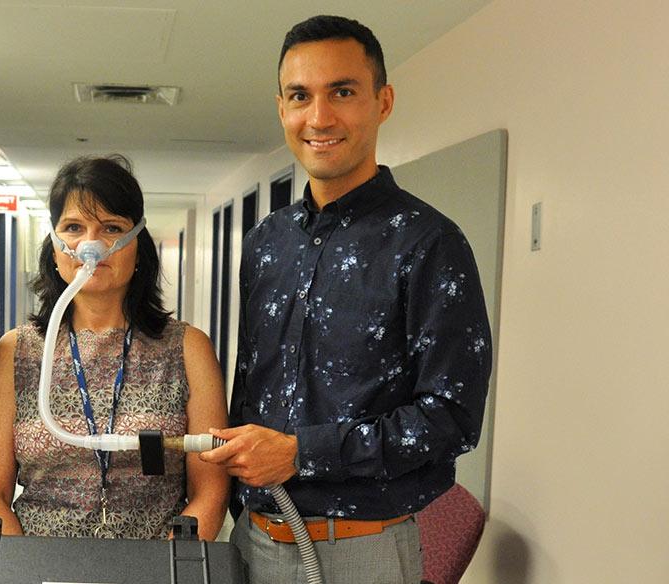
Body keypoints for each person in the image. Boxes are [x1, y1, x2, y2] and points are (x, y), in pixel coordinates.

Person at [199, 15, 493, 584]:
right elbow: (253, 387)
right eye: (299, 96)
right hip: (253, 542)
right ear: (281, 108)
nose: (319, 117)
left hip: (363, 553)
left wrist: (302, 453)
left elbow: (452, 417)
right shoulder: (266, 242)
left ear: (383, 101)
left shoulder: (428, 242)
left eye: (342, 92)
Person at [0, 155, 229, 540]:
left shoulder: (188, 349)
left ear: (137, 246)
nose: (90, 244)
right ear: (55, 247)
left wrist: (168, 571)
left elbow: (210, 492)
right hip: (40, 568)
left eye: (111, 227)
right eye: (73, 227)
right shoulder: (17, 351)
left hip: (157, 565)